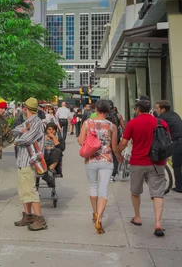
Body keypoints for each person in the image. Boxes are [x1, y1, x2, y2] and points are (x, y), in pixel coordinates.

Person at [117, 99, 169, 237]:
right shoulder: (161, 123)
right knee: (157, 193)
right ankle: (157, 223)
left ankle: (137, 217)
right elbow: (167, 140)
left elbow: (124, 143)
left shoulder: (133, 123)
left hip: (138, 162)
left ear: (138, 109)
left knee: (135, 191)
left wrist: (117, 152)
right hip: (157, 163)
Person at [78, 100, 118, 234]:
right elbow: (114, 147)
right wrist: (120, 156)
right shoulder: (112, 126)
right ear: (108, 111)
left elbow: (80, 141)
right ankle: (99, 219)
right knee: (104, 188)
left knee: (93, 185)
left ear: (96, 109)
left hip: (91, 160)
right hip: (107, 160)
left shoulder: (87, 123)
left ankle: (95, 212)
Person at [11, 98, 48, 231]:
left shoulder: (36, 122)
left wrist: (17, 140)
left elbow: (26, 139)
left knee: (30, 190)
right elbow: (15, 129)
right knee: (23, 190)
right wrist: (20, 133)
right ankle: (28, 216)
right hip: (22, 160)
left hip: (29, 161)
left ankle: (39, 219)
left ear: (26, 108)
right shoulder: (28, 122)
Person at [155, 100, 182, 193]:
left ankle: (179, 187)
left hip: (178, 142)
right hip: (179, 140)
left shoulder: (162, 117)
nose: (156, 110)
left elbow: (155, 128)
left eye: (157, 108)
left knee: (177, 165)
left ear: (163, 109)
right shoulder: (174, 114)